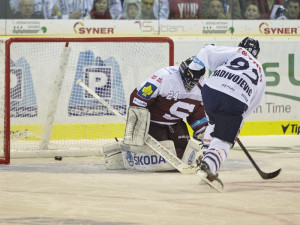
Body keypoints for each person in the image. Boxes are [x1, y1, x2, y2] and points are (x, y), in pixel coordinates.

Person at [103, 57, 208, 172]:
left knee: (185, 155)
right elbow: (139, 98)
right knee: (160, 159)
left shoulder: (203, 86)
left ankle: (134, 153)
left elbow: (196, 111)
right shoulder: (164, 76)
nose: (191, 83)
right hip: (153, 124)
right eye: (189, 78)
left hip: (176, 124)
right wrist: (138, 126)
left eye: (195, 79)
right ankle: (125, 153)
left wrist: (202, 131)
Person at [189, 37, 265, 191]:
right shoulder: (261, 73)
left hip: (210, 92)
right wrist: (235, 126)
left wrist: (194, 69)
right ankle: (208, 165)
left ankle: (207, 156)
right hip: (235, 101)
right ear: (256, 55)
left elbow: (207, 49)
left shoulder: (235, 52)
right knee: (223, 141)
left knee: (213, 123)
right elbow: (251, 104)